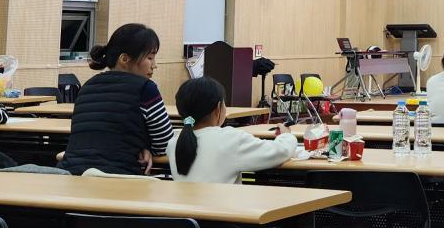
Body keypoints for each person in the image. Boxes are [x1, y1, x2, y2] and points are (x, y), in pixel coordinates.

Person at [60, 24, 172, 175]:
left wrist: (142, 146)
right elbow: (165, 145)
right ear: (124, 59)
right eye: (150, 58)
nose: (154, 65)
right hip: (117, 178)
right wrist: (146, 148)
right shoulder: (146, 89)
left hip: (72, 175)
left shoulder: (87, 86)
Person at [168, 77, 295, 184]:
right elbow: (281, 152)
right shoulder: (230, 139)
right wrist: (286, 135)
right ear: (218, 108)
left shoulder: (173, 143)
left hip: (184, 207)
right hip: (222, 206)